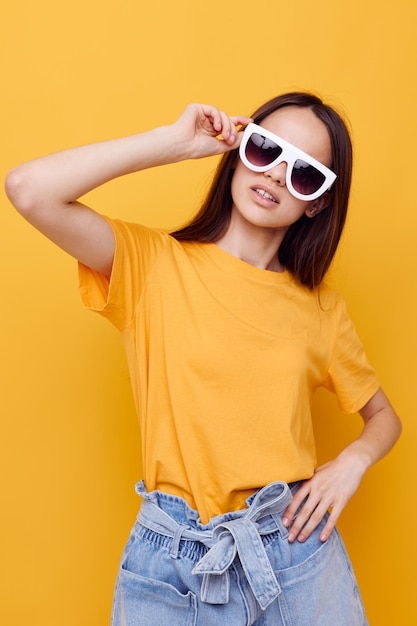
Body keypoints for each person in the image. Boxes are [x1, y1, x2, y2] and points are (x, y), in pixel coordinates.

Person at [5, 92, 401, 626]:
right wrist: (171, 143)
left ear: (318, 202)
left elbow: (383, 417)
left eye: (305, 174)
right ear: (239, 149)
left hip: (291, 550)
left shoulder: (322, 309)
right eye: (267, 149)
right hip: (171, 560)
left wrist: (351, 464)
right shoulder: (153, 266)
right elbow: (28, 190)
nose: (279, 175)